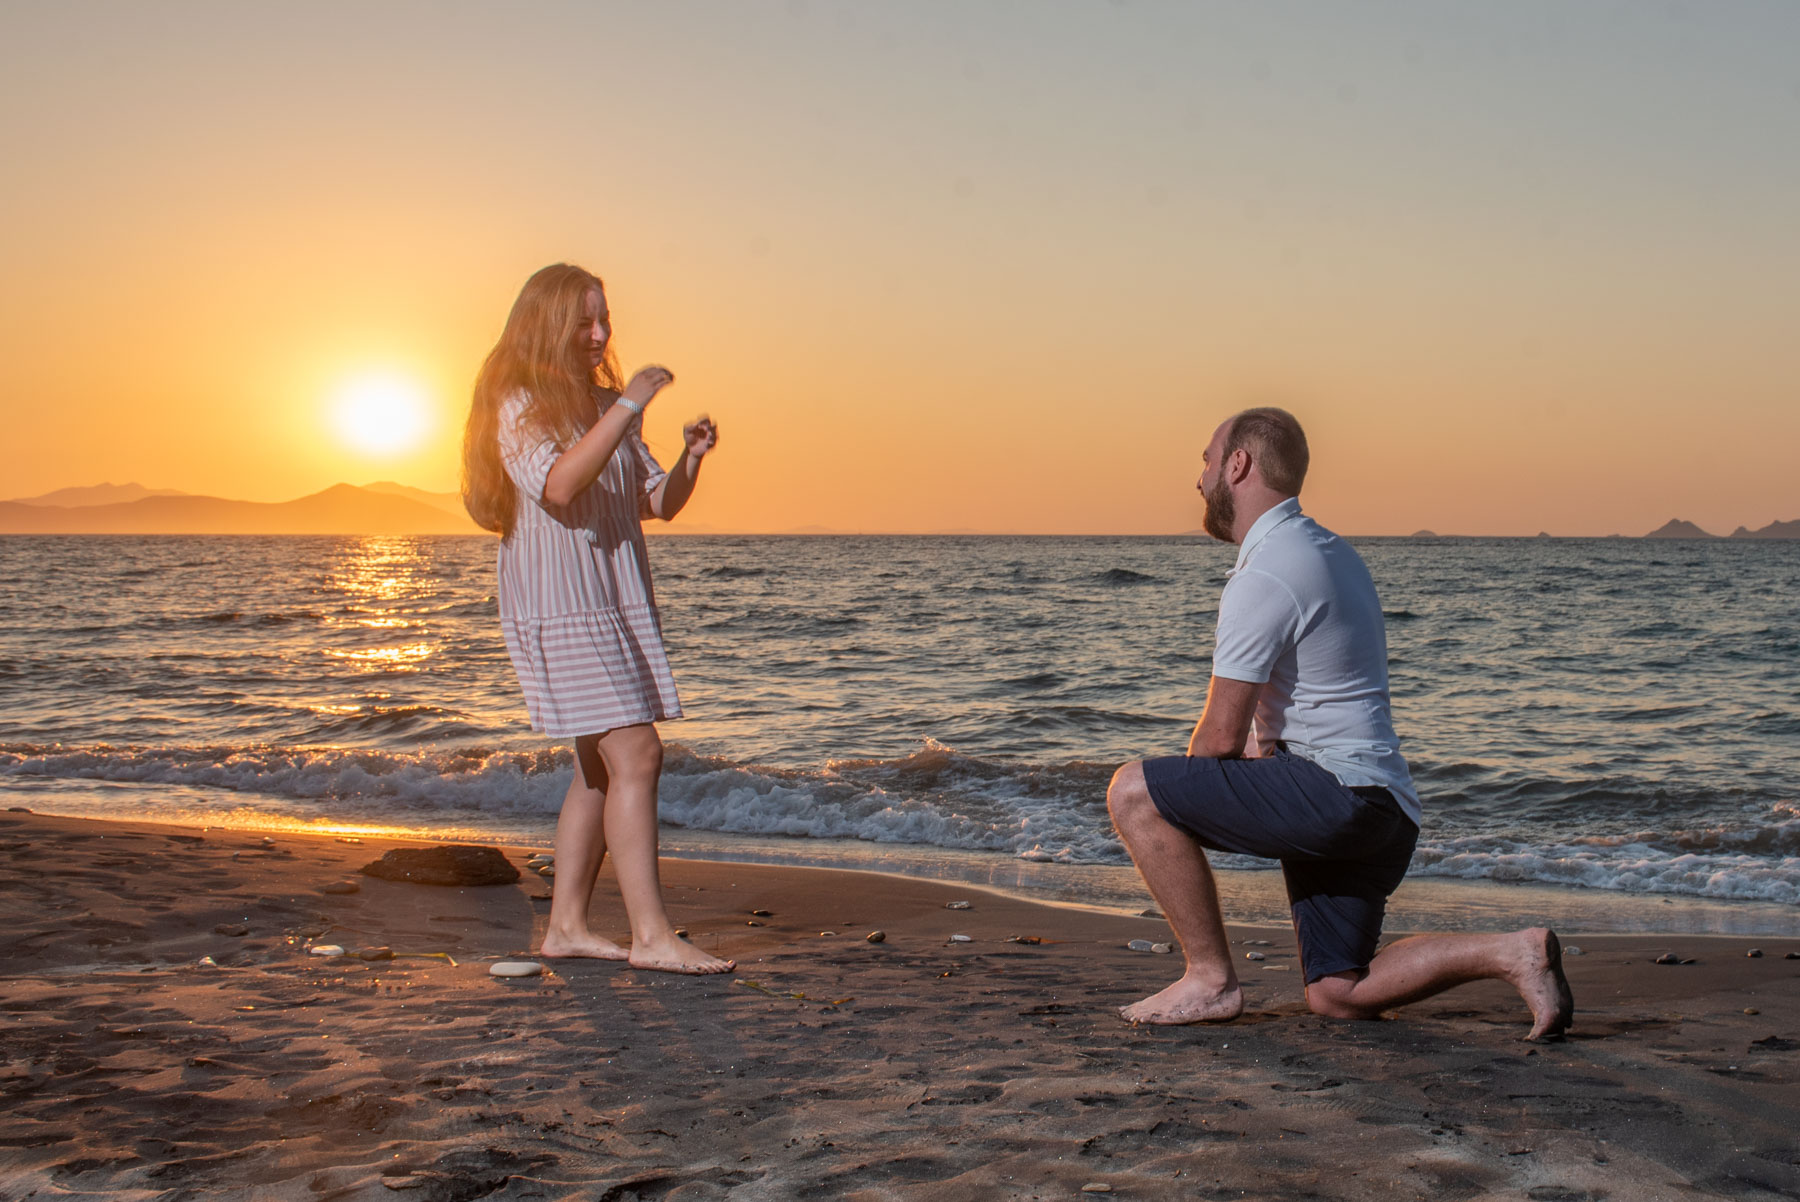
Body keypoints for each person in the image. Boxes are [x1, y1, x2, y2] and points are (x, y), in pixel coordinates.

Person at [1106, 407, 1572, 1037]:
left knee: (1135, 793)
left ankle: (1209, 980)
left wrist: (1191, 808)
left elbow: (1217, 740)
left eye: (1207, 460)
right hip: (1386, 809)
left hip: (1334, 797)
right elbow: (1288, 722)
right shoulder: (1329, 551)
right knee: (1337, 992)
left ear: (1238, 465)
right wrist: (1242, 788)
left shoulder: (1267, 568)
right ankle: (1514, 953)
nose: (1200, 478)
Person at [462, 263, 732, 974]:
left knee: (599, 772)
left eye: (604, 319)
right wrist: (629, 404)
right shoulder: (520, 404)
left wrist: (690, 459)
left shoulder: (606, 406)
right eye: (585, 321)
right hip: (562, 604)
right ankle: (651, 936)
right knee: (637, 754)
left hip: (610, 600)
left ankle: (566, 928)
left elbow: (655, 502)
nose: (600, 333)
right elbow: (558, 485)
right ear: (548, 324)